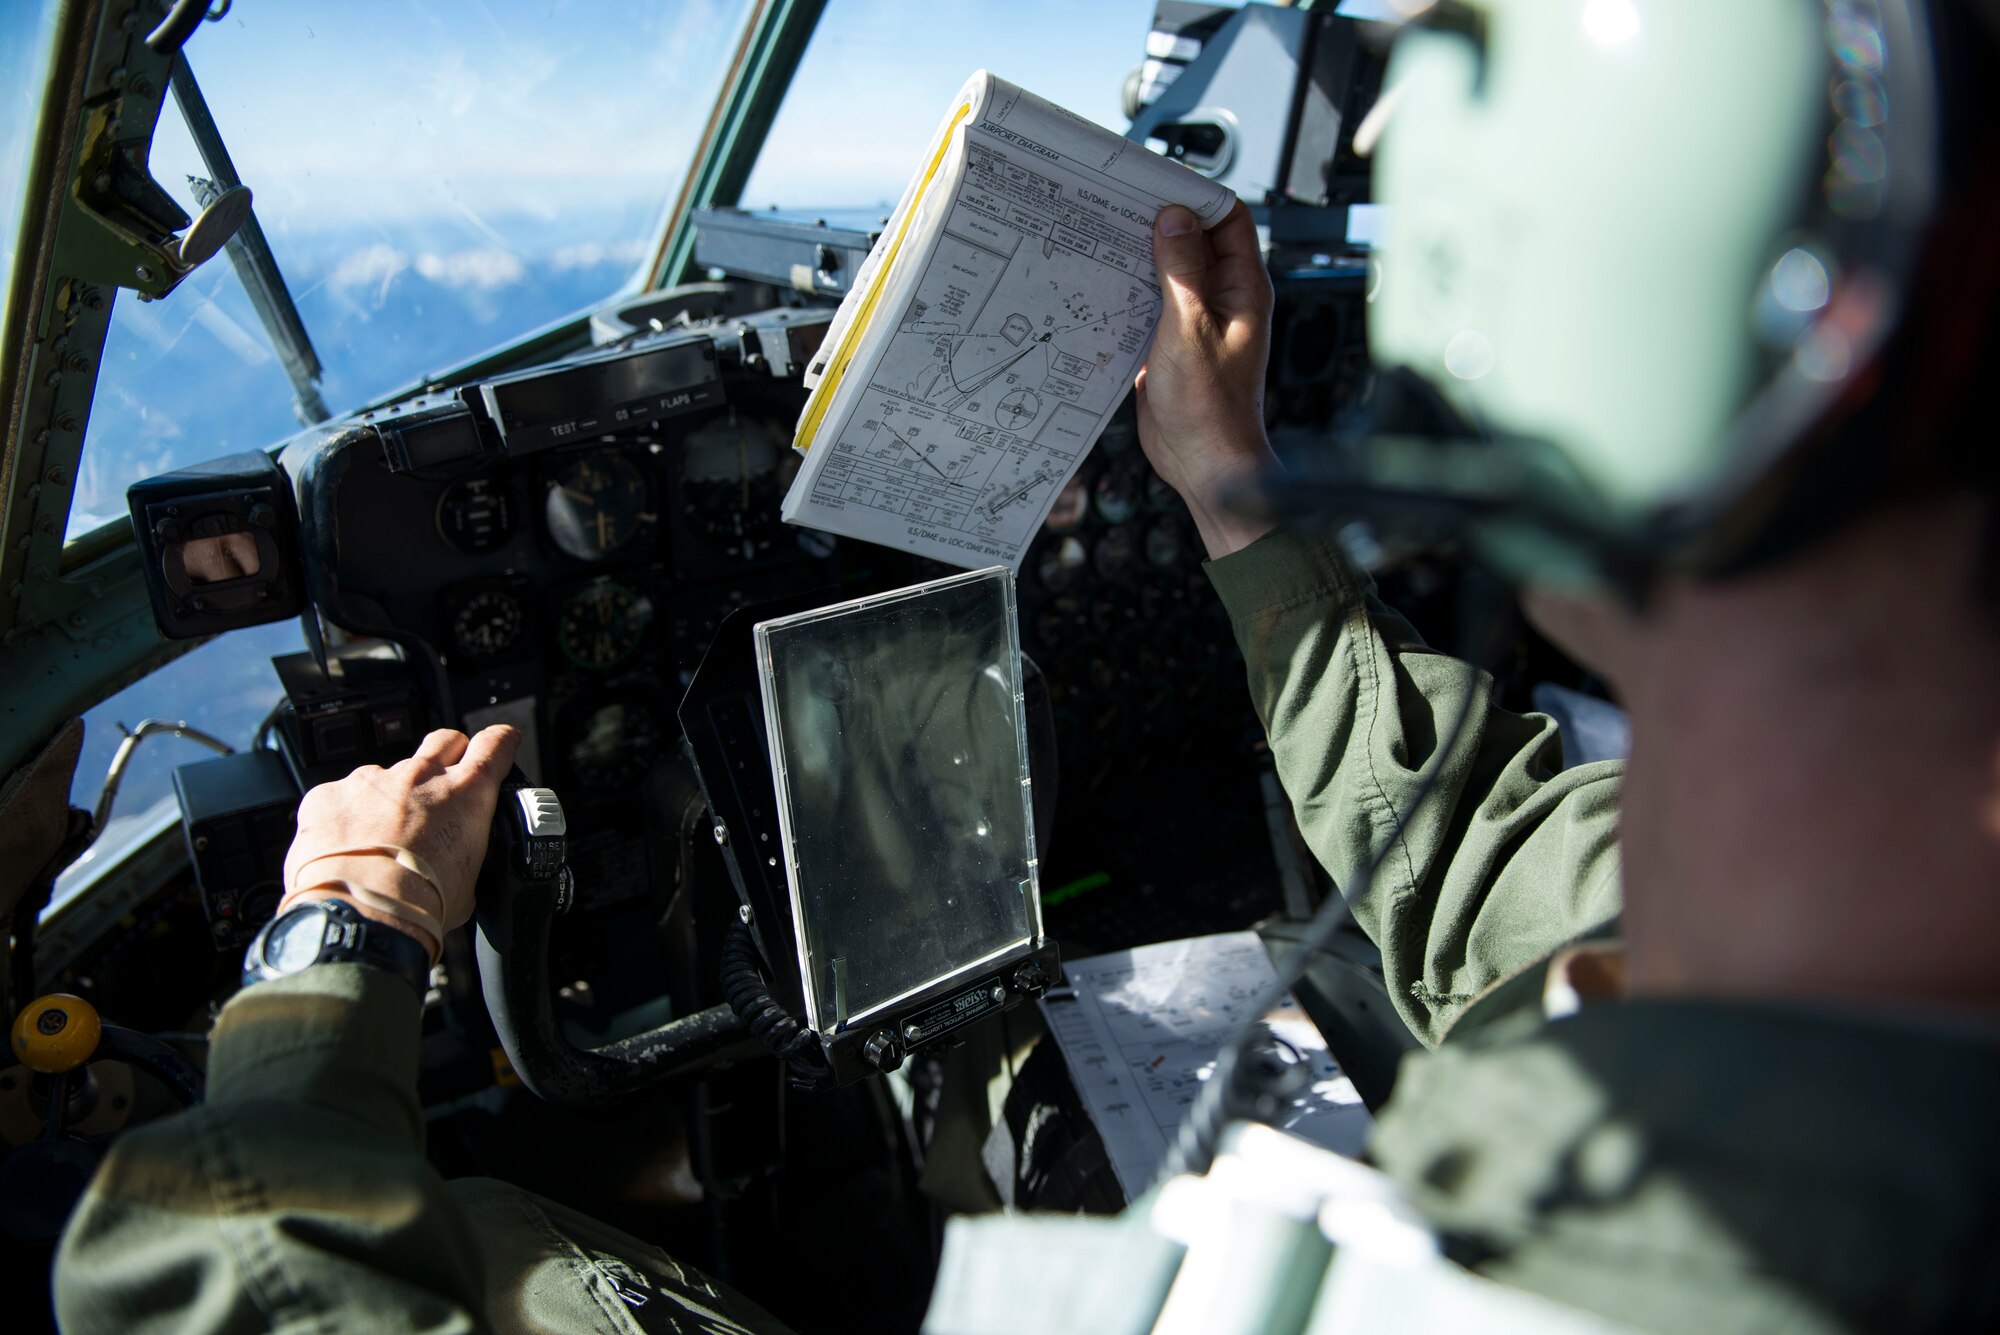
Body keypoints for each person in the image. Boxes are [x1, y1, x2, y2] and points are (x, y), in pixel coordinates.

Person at [54, 5, 2000, 1333]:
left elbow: (227, 1282)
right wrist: (1233, 504)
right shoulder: (1723, 934)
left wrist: (342, 938)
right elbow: (1480, 844)